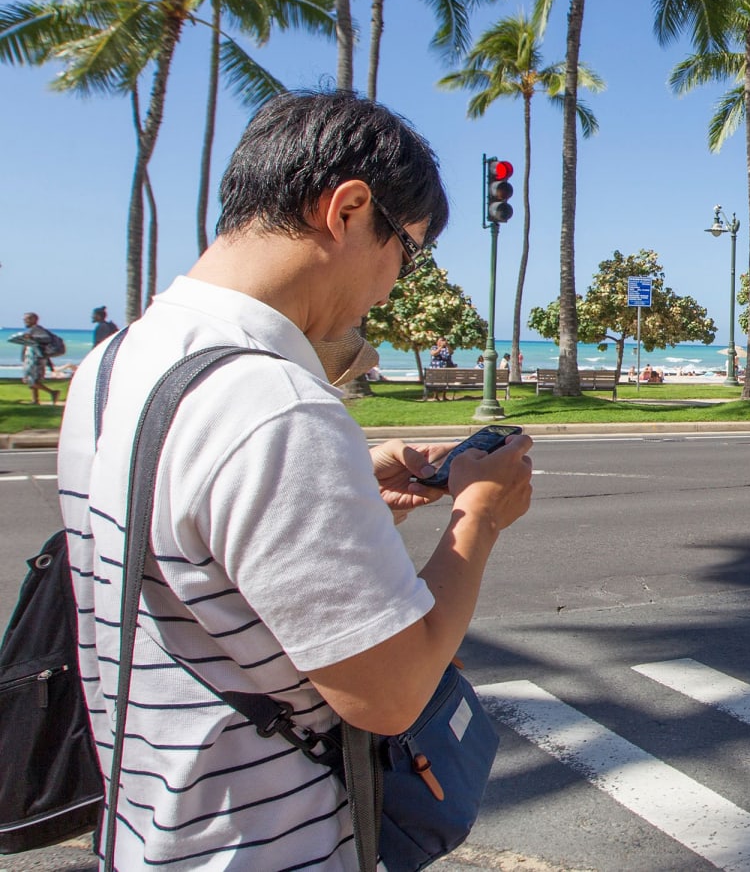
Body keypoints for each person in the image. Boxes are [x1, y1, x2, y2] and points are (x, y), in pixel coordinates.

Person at [56, 91, 534, 870]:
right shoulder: (274, 406)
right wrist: (478, 514)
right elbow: (391, 692)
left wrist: (347, 496)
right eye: (406, 254)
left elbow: (186, 564)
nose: (392, 289)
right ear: (347, 211)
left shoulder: (117, 360)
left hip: (152, 824)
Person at [14, 311, 60, 404]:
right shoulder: (31, 329)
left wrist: (32, 337)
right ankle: (35, 400)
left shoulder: (37, 329)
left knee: (32, 380)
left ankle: (52, 392)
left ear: (34, 319)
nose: (25, 321)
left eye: (27, 319)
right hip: (31, 357)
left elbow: (46, 339)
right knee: (31, 379)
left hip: (36, 358)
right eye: (24, 319)